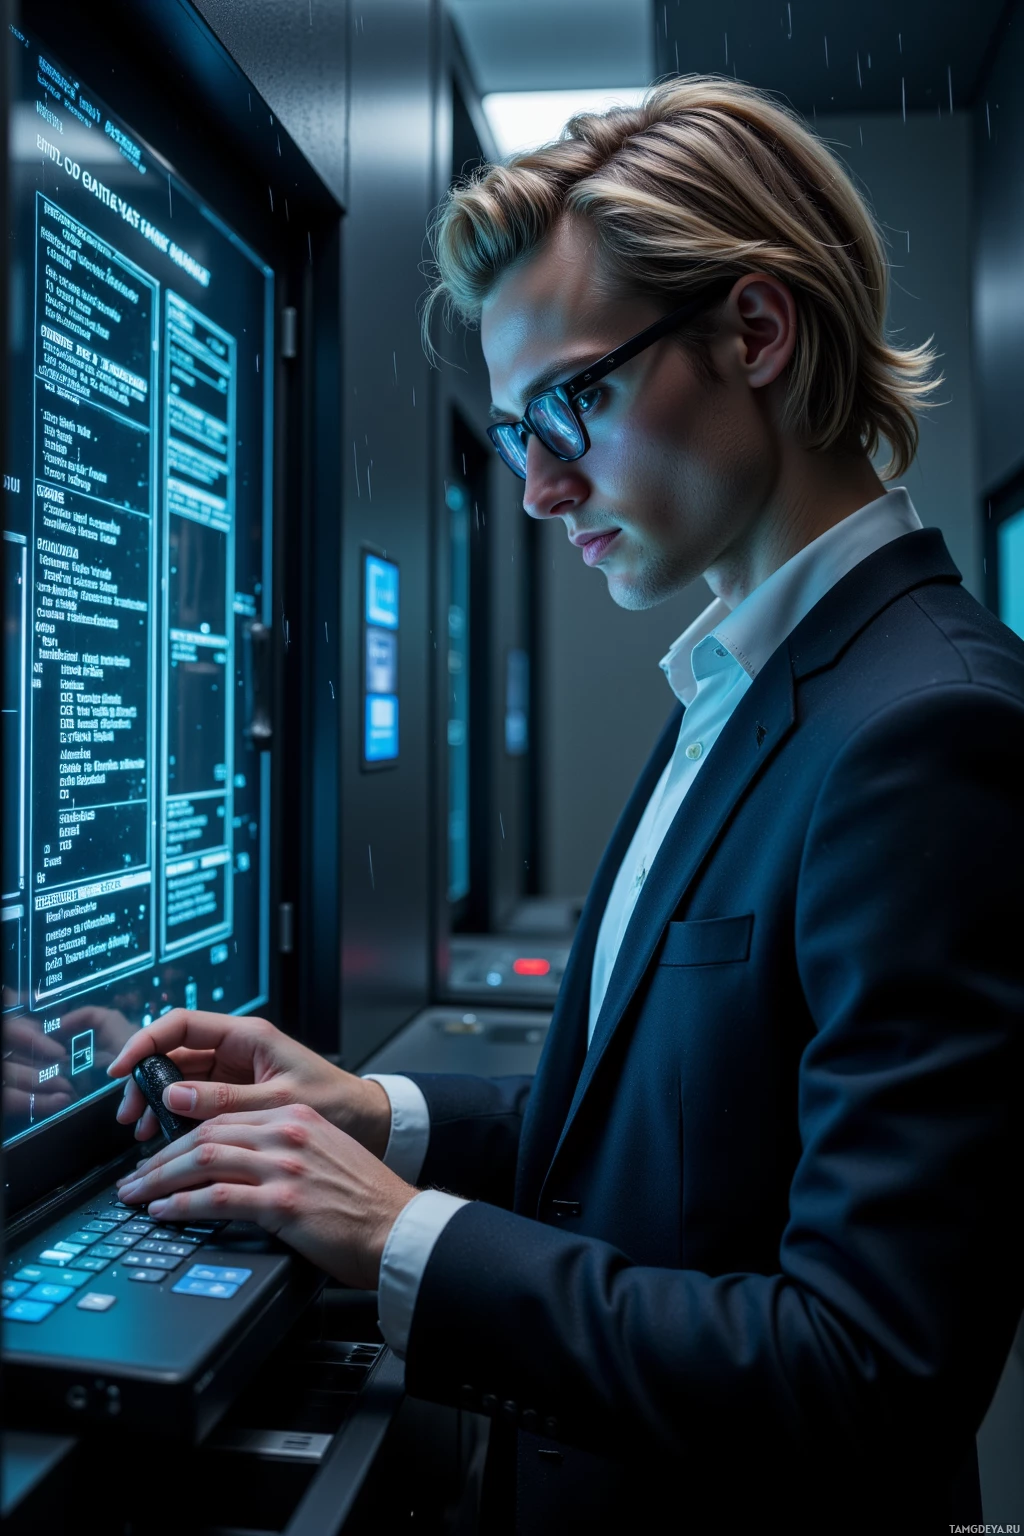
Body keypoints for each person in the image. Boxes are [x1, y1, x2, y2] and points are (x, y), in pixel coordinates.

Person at [108, 77, 1024, 1532]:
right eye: (521, 426)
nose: (536, 486)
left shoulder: (932, 731)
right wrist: (378, 1115)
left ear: (757, 331)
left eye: (571, 405)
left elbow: (863, 1371)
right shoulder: (759, 679)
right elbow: (679, 1137)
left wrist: (401, 1236)